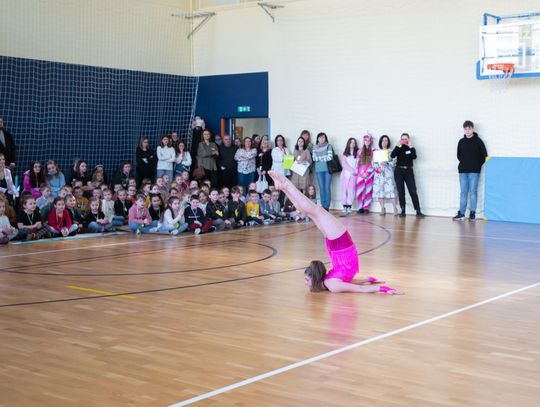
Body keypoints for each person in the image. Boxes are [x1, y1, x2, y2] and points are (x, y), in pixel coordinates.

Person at [268, 170, 401, 294]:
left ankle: (284, 187)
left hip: (337, 248)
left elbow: (350, 281)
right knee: (313, 210)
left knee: (310, 212)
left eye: (306, 280)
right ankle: (285, 185)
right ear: (315, 278)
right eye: (307, 280)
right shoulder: (332, 285)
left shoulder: (330, 283)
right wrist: (382, 288)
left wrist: (368, 279)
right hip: (341, 244)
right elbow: (358, 288)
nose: (305, 283)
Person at [453, 120, 488, 222]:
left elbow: (484, 156)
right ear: (464, 130)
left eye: (469, 129)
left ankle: (472, 213)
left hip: (474, 171)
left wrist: (476, 165)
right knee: (463, 192)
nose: (467, 131)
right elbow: (459, 155)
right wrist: (465, 163)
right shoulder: (461, 141)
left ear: (473, 129)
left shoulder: (478, 141)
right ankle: (461, 213)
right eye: (465, 129)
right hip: (463, 171)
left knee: (473, 192)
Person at [390, 133, 425, 218]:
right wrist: (397, 145)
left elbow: (414, 156)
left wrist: (411, 146)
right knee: (401, 192)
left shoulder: (411, 148)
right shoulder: (398, 148)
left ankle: (418, 211)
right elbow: (392, 155)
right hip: (398, 171)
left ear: (408, 140)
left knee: (413, 191)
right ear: (400, 140)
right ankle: (403, 210)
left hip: (408, 171)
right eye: (402, 139)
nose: (404, 140)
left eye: (406, 139)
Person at [373, 135, 398, 216]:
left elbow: (394, 162)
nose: (384, 142)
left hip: (388, 174)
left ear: (388, 142)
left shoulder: (391, 151)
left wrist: (387, 163)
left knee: (391, 191)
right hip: (379, 175)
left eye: (386, 140)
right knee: (379, 192)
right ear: (380, 142)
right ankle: (382, 208)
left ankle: (395, 208)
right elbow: (374, 163)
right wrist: (377, 168)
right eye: (383, 140)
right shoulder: (377, 152)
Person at [312, 132, 334, 210]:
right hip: (319, 170)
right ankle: (323, 205)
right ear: (317, 139)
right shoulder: (314, 147)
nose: (322, 139)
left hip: (328, 170)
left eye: (323, 137)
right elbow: (314, 158)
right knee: (321, 187)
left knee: (327, 187)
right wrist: (324, 157)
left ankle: (327, 206)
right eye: (320, 137)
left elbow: (330, 157)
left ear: (325, 138)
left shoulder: (329, 146)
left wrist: (319, 158)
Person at [356, 134, 375, 214]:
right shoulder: (359, 151)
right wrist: (362, 173)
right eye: (365, 140)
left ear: (371, 141)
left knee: (368, 191)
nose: (367, 142)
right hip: (360, 174)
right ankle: (360, 207)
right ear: (364, 141)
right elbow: (357, 163)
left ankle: (366, 207)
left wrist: (368, 172)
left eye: (368, 140)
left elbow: (374, 163)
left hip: (369, 174)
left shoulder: (374, 151)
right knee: (359, 191)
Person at [340, 137, 359, 216]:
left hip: (353, 176)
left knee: (351, 191)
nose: (352, 144)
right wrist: (352, 170)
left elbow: (358, 164)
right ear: (348, 143)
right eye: (351, 142)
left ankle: (349, 206)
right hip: (345, 175)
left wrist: (355, 172)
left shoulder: (357, 154)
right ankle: (344, 206)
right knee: (344, 190)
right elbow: (344, 164)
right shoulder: (345, 154)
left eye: (354, 142)